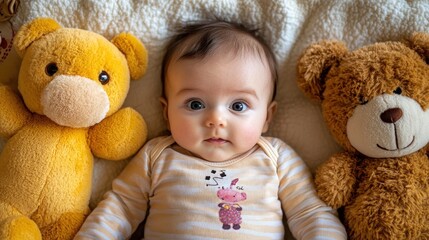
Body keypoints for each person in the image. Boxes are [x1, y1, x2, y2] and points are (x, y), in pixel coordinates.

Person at [75, 20, 346, 240]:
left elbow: (310, 212)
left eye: (238, 105)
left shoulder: (275, 157)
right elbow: (120, 208)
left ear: (267, 117)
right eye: (195, 104)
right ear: (166, 112)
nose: (216, 119)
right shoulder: (157, 155)